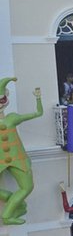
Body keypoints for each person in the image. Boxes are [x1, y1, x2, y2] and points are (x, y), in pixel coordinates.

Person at [0, 79, 43, 224]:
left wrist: (38, 98)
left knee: (27, 187)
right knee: (25, 189)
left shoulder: (12, 118)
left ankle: (8, 214)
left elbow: (38, 113)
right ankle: (17, 205)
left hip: (17, 158)